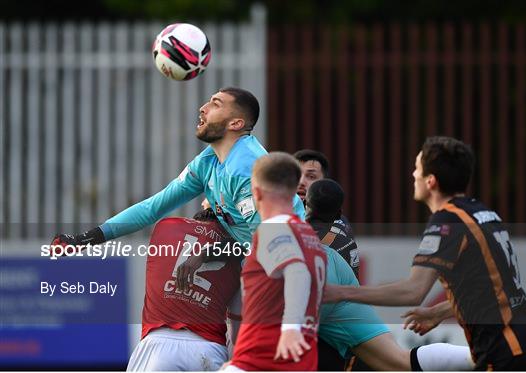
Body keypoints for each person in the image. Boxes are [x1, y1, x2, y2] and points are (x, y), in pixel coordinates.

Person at [324, 136, 526, 370]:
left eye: (417, 168)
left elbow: (413, 291)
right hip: (525, 341)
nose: (413, 175)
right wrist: (439, 312)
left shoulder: (447, 221)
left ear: (431, 181)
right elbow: (497, 289)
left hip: (507, 351)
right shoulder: (482, 212)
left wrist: (340, 292)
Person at [49, 87, 305, 281]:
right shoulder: (209, 161)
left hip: (286, 272)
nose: (203, 108)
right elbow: (154, 207)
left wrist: (206, 253)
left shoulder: (245, 170)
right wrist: (89, 238)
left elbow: (265, 243)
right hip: (261, 270)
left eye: (215, 104)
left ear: (235, 124)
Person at [308, 178, 474, 371]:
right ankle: (476, 358)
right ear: (339, 213)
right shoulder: (343, 232)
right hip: (338, 280)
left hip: (315, 279)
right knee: (399, 361)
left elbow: (414, 292)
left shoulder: (289, 220)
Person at [227, 152, 327, 371]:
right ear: (294, 191)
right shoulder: (309, 236)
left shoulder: (273, 228)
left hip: (263, 357)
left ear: (256, 192)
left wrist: (290, 328)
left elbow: (297, 271)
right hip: (300, 359)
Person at [127, 209, 241, 371]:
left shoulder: (165, 226)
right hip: (209, 350)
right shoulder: (238, 253)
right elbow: (237, 325)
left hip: (158, 348)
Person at [294, 149, 359, 272]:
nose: (301, 182)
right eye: (296, 175)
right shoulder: (273, 217)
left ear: (324, 183)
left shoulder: (338, 224)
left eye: (311, 176)